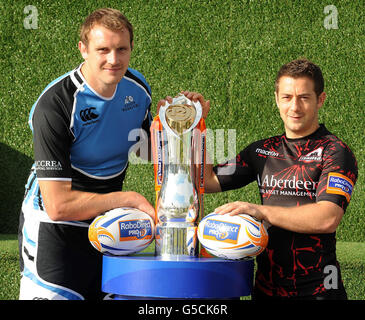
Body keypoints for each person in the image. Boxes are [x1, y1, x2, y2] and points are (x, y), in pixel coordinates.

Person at [17, 7, 210, 300]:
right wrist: (128, 198)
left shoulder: (137, 88)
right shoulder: (55, 104)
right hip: (55, 230)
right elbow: (58, 205)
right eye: (103, 49)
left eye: (122, 49)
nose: (113, 59)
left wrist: (181, 126)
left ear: (131, 48)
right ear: (83, 49)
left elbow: (144, 149)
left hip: (109, 224)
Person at [204, 59, 358, 300]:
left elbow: (327, 218)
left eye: (304, 97)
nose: (294, 107)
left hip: (318, 291)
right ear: (277, 99)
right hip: (266, 290)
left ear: (321, 99)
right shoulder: (262, 151)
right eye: (287, 97)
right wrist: (198, 126)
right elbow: (206, 181)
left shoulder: (335, 152)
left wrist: (260, 211)